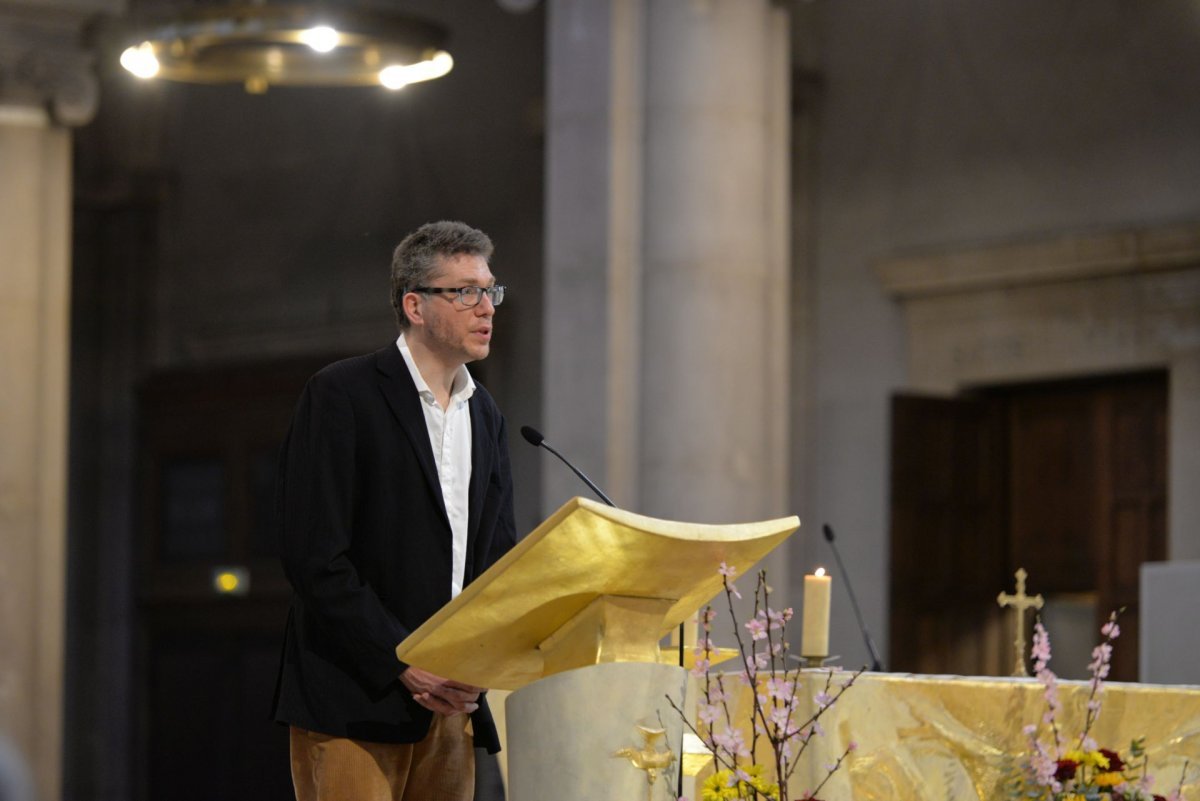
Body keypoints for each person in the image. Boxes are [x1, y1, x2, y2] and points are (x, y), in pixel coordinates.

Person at [272, 220, 518, 801]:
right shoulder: (343, 394)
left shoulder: (486, 416)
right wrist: (401, 659)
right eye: (465, 292)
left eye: (490, 291)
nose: (486, 308)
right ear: (415, 304)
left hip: (452, 705)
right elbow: (315, 556)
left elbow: (496, 563)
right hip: (355, 699)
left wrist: (476, 663)